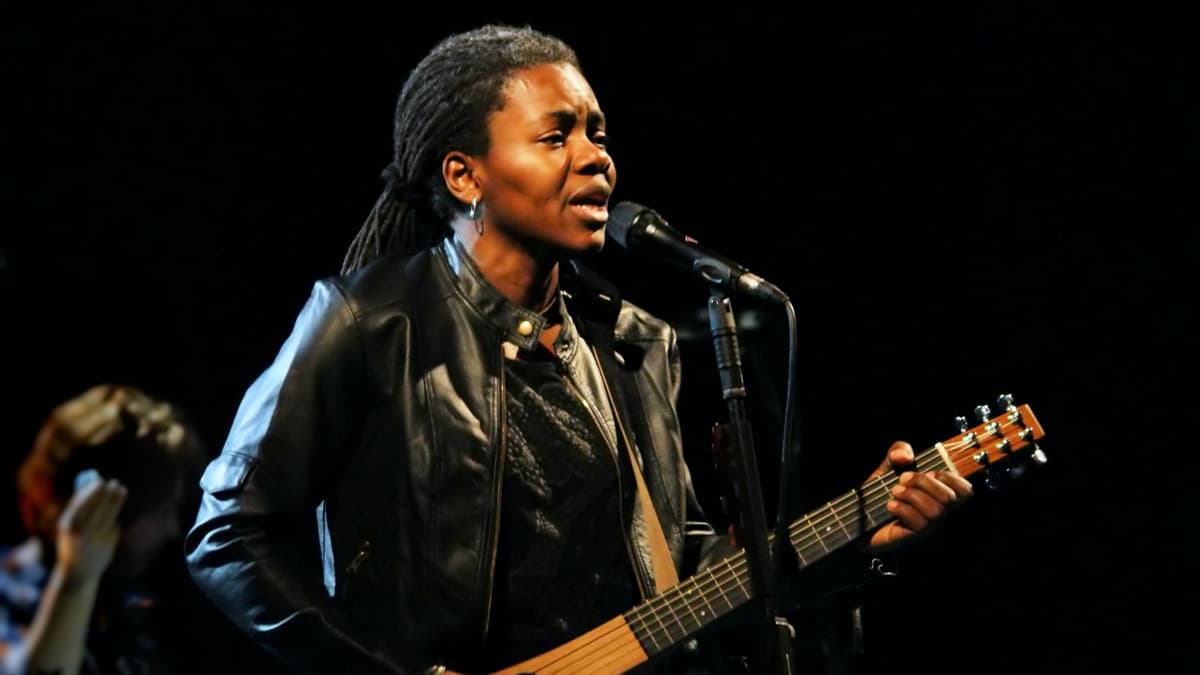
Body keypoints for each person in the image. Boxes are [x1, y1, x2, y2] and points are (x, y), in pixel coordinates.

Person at [184, 23, 974, 675]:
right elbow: (229, 535)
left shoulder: (633, 340)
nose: (595, 155)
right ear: (465, 175)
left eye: (597, 132)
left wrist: (852, 540)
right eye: (555, 135)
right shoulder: (372, 322)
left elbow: (675, 562)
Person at [0, 384, 207, 675]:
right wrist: (76, 579)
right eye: (159, 511)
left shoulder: (138, 607)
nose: (172, 529)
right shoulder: (7, 589)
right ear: (102, 505)